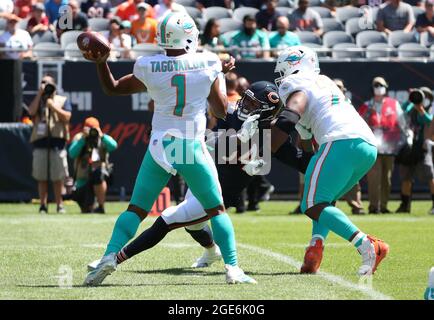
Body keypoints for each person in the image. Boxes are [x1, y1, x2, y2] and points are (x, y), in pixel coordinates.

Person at [81, 12, 256, 286]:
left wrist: (101, 63)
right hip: (188, 143)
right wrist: (219, 75)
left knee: (136, 209)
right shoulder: (208, 62)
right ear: (189, 36)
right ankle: (232, 268)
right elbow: (221, 111)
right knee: (216, 209)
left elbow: (113, 89)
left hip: (160, 143)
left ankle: (108, 255)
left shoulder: (149, 64)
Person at [274, 45, 389, 275]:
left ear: (293, 65)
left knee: (312, 203)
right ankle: (315, 247)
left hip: (339, 140)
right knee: (325, 200)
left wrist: (268, 143)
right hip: (366, 145)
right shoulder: (324, 81)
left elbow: (293, 112)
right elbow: (307, 139)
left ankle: (367, 244)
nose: (281, 76)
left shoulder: (294, 84)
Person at [358, 77, 407, 214]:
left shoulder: (393, 104)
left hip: (390, 147)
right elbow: (359, 124)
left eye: (381, 85)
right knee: (374, 178)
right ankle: (374, 206)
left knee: (387, 178)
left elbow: (402, 123)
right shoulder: (367, 106)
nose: (378, 87)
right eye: (376, 85)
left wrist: (407, 136)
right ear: (372, 88)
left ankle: (384, 206)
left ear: (386, 87)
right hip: (372, 146)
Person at [27, 75, 71, 214]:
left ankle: (59, 205)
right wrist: (40, 94)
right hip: (40, 142)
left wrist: (53, 105)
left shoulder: (62, 99)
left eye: (48, 83)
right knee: (41, 177)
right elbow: (31, 112)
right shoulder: (38, 98)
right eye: (43, 82)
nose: (45, 85)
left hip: (57, 142)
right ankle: (43, 205)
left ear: (54, 85)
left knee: (58, 177)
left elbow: (67, 117)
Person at [396, 87, 434, 213]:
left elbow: (428, 121)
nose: (421, 99)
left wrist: (421, 109)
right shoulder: (410, 108)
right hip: (409, 148)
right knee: (406, 177)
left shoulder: (430, 110)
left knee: (430, 176)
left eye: (425, 96)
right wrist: (410, 99)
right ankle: (405, 205)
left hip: (422, 148)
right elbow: (402, 113)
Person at [69, 117, 117, 214]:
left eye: (93, 129)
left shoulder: (102, 138)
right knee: (86, 210)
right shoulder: (79, 137)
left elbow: (114, 146)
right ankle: (89, 205)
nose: (92, 132)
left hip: (98, 176)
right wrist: (83, 139)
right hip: (82, 179)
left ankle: (101, 206)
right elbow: (72, 153)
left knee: (98, 174)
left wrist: (101, 136)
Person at [334, 78, 365, 215]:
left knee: (352, 177)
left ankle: (357, 205)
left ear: (344, 90)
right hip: (330, 143)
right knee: (330, 176)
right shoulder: (324, 103)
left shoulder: (347, 104)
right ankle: (331, 206)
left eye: (339, 86)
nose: (336, 88)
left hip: (348, 143)